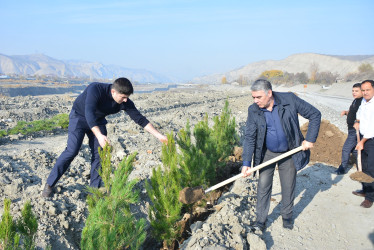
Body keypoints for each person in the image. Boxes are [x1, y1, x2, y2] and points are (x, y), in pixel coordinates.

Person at [42, 77, 167, 197]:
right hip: (79, 117)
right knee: (72, 150)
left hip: (98, 120)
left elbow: (140, 119)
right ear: (113, 91)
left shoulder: (125, 102)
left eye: (127, 98)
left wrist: (159, 136)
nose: (125, 100)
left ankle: (93, 192)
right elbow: (89, 112)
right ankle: (49, 184)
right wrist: (99, 135)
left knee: (99, 154)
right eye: (123, 97)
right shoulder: (95, 89)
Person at [241, 79, 321, 232]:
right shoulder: (254, 110)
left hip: (289, 151)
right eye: (253, 97)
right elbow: (250, 137)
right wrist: (246, 163)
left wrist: (310, 139)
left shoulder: (289, 100)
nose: (255, 101)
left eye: (258, 97)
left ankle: (287, 216)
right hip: (267, 153)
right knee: (263, 186)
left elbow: (315, 114)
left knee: (288, 185)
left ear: (269, 93)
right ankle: (260, 220)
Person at [353, 79, 374, 208]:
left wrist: (362, 141)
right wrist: (358, 121)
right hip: (363, 136)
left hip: (371, 139)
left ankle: (370, 198)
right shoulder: (364, 101)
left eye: (368, 90)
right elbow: (360, 112)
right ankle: (365, 189)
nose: (365, 93)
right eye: (363, 90)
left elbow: (372, 127)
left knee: (371, 169)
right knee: (363, 166)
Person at [336, 83, 363, 174]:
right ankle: (361, 168)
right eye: (353, 91)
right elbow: (353, 112)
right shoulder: (356, 100)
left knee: (346, 148)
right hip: (351, 129)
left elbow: (364, 115)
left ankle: (342, 168)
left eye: (356, 91)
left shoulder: (362, 102)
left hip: (355, 130)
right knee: (354, 150)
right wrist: (346, 112)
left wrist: (358, 122)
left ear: (362, 91)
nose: (354, 93)